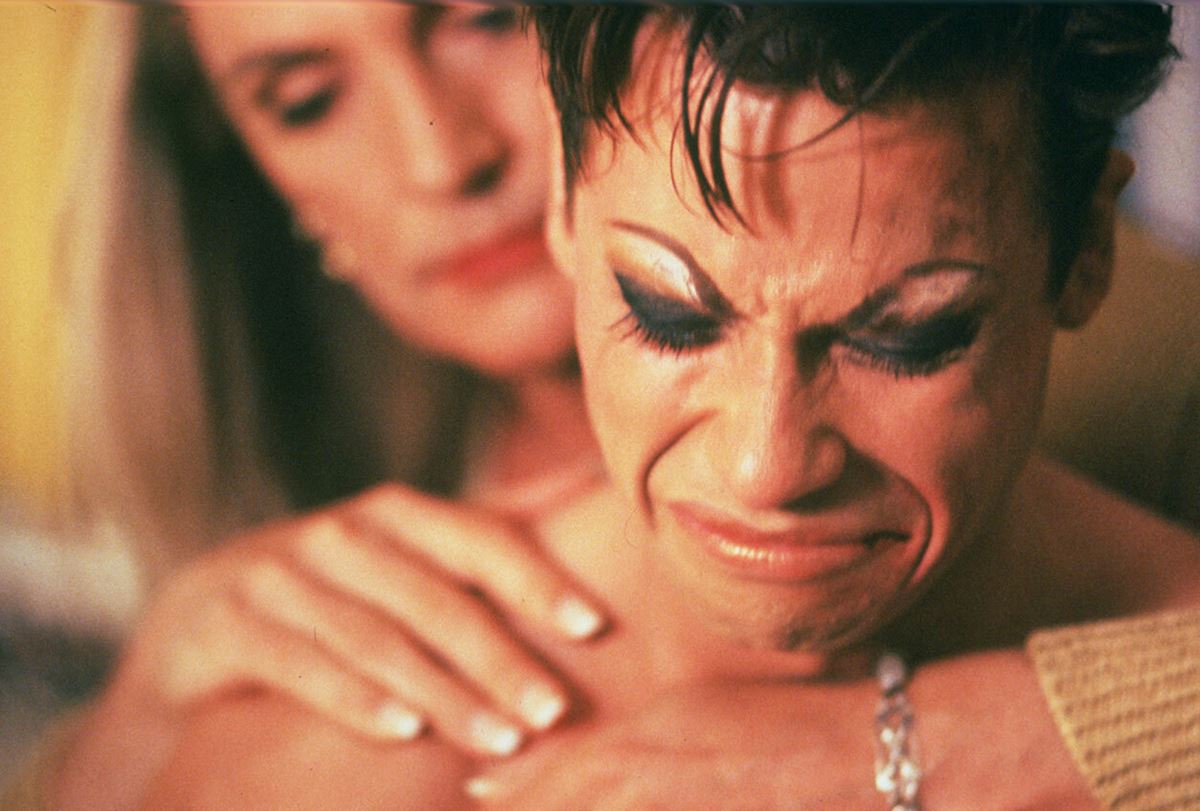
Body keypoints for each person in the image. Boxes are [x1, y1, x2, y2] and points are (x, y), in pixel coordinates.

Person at [126, 5, 1200, 811]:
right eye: (670, 315)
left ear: (1085, 251)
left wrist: (933, 749)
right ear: (567, 204)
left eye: (907, 337)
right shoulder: (345, 750)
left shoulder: (1164, 378)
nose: (766, 467)